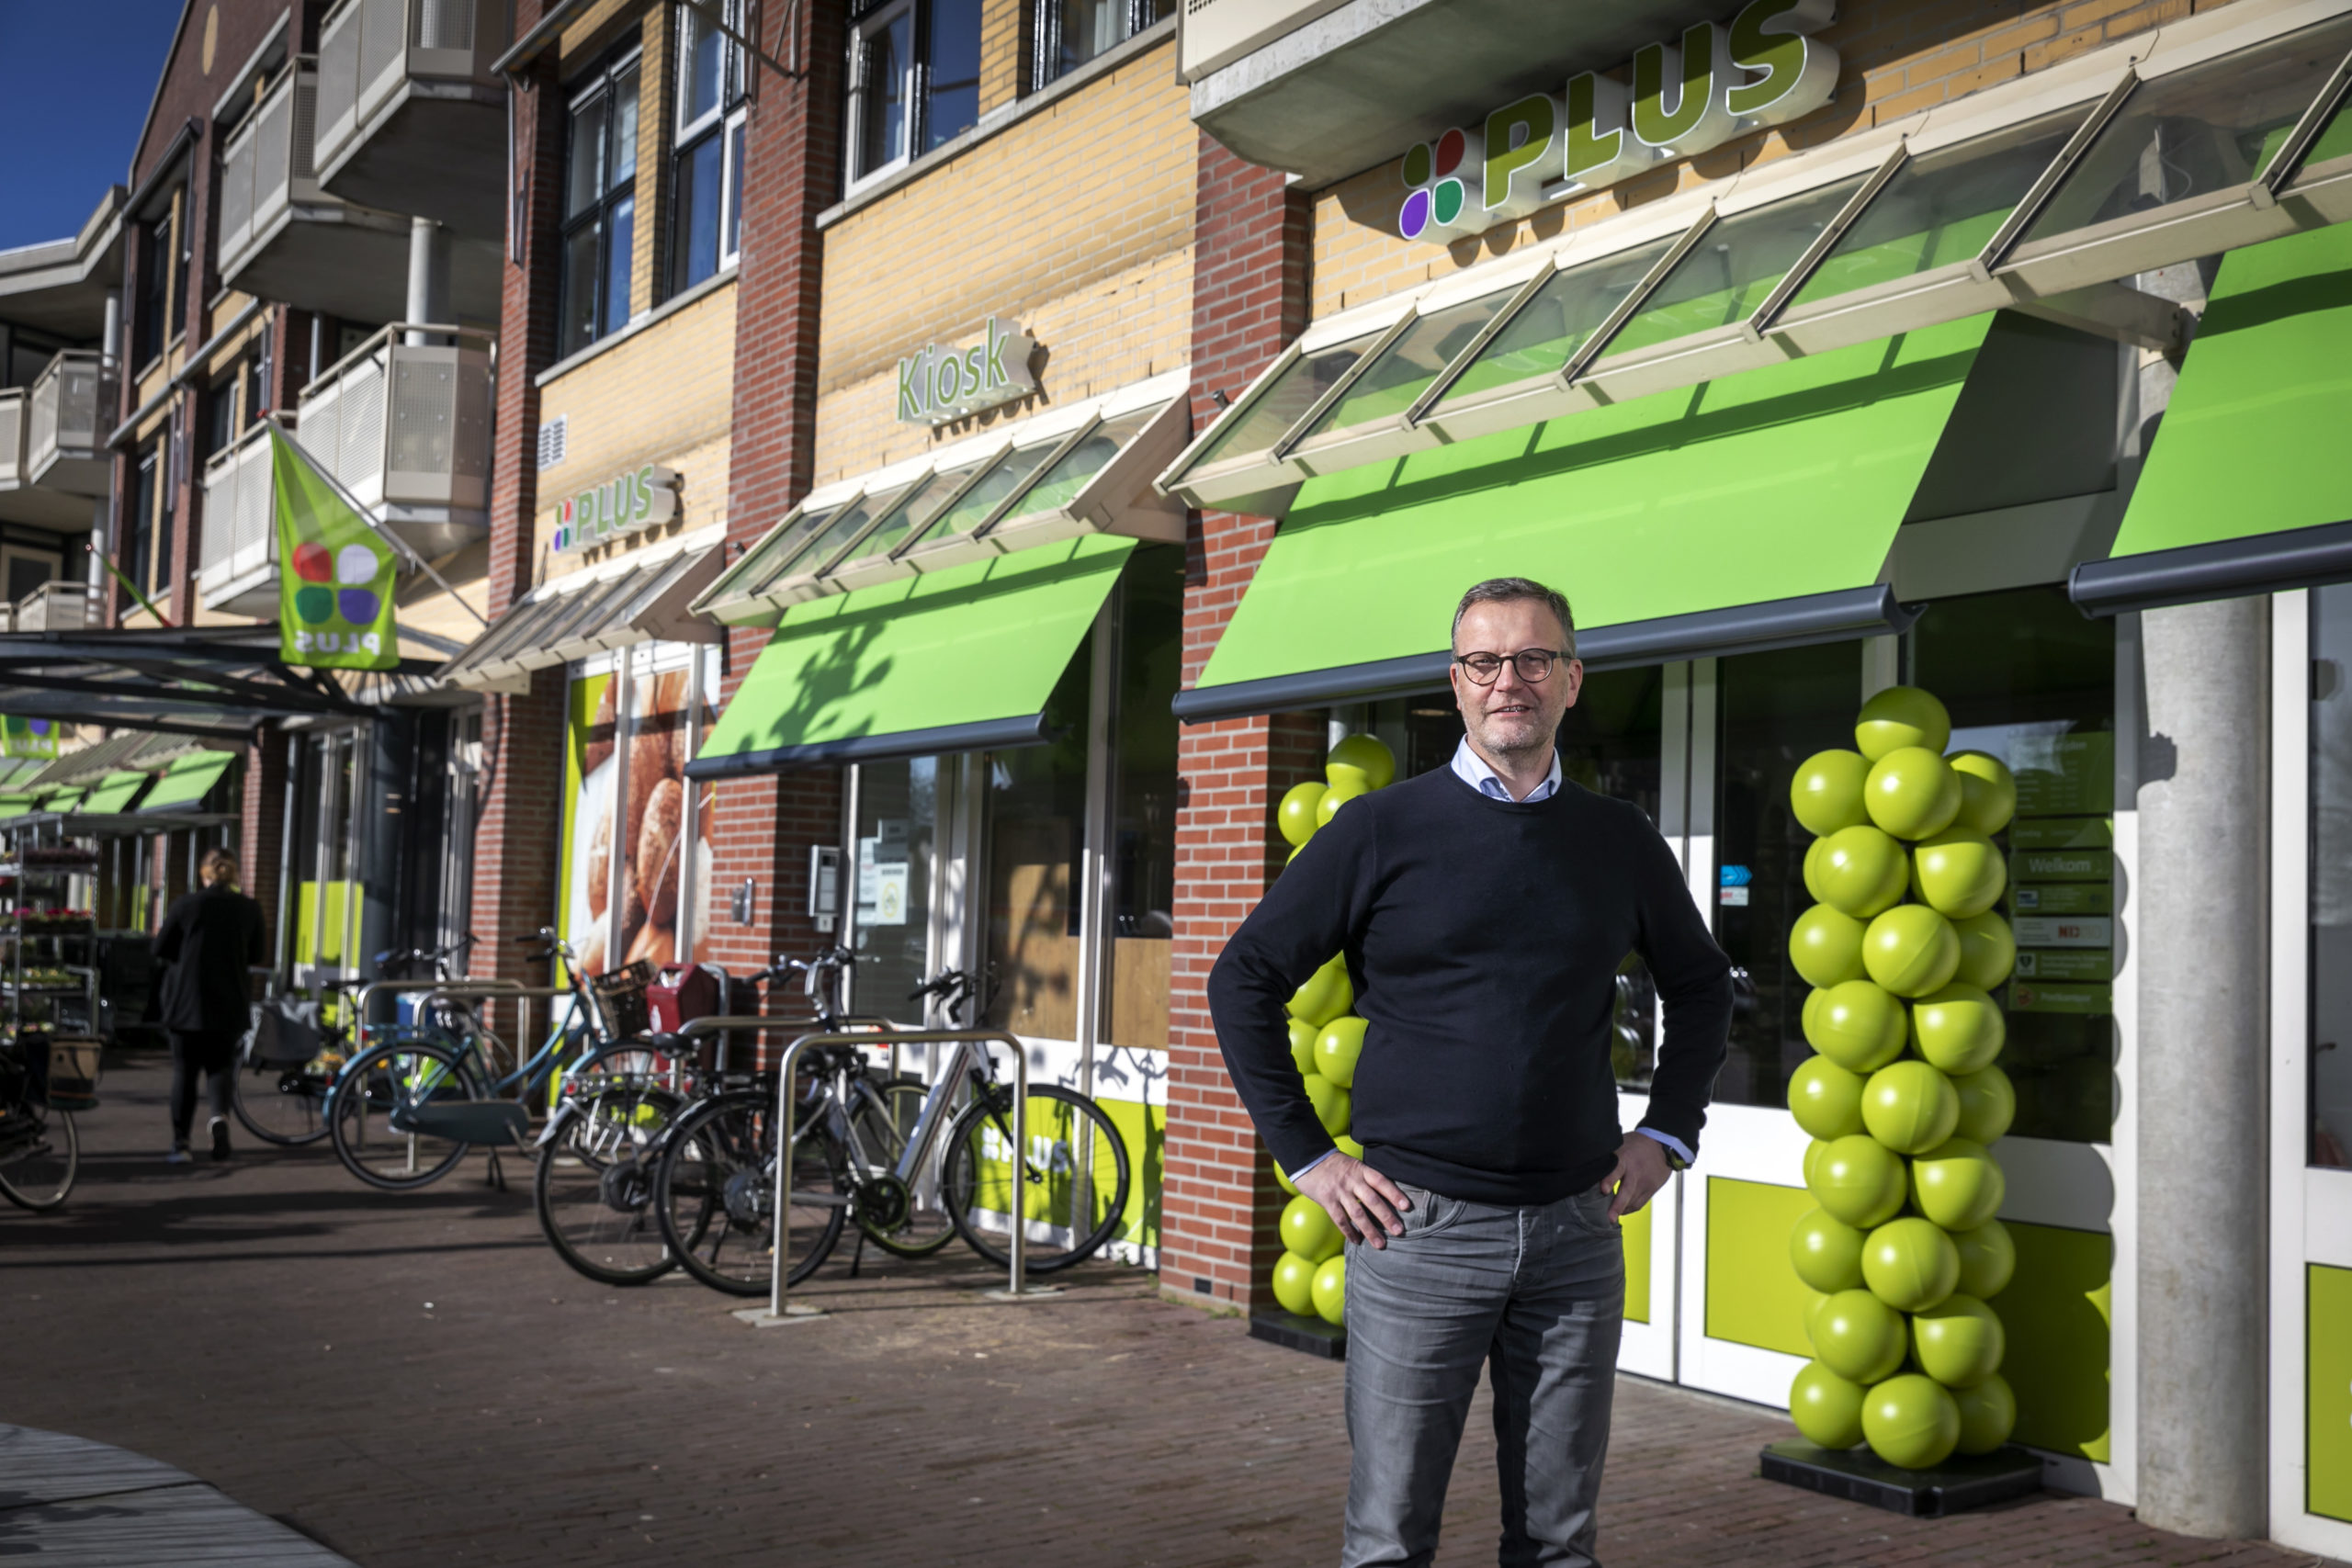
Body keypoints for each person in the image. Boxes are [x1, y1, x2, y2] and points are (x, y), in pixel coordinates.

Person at [1208, 577, 1732, 1568]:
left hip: (1577, 1234)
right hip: (1418, 1234)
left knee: (1558, 1539)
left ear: (1571, 681)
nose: (1509, 682)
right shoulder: (1380, 831)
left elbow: (1703, 988)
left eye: (1534, 659)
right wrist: (1309, 1158)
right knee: (1391, 1534)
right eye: (1485, 662)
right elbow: (1243, 979)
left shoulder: (1615, 841)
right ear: (1455, 685)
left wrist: (1668, 1130)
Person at [153, 848, 266, 1164]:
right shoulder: (249, 908)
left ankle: (181, 1144)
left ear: (203, 873)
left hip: (186, 1001)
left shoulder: (187, 905)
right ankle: (219, 1119)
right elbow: (257, 954)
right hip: (229, 1001)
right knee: (220, 1069)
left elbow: (160, 947)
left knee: (184, 1072)